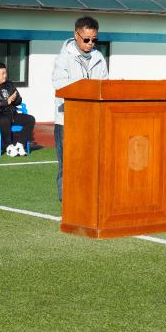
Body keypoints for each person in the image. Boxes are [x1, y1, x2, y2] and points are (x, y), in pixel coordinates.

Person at [52, 16, 108, 201]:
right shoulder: (64, 57)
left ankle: (87, 203)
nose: (90, 43)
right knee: (67, 165)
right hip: (67, 121)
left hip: (92, 121)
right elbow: (59, 85)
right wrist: (86, 88)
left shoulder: (99, 58)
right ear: (76, 35)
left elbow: (105, 86)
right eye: (86, 39)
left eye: (94, 39)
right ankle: (67, 206)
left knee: (90, 165)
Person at [0, 61, 35, 156]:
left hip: (12, 113)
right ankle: (9, 147)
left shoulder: (9, 84)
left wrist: (15, 99)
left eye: (5, 73)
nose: (5, 76)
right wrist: (7, 101)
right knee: (4, 120)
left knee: (30, 119)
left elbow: (19, 100)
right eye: (2, 73)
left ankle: (19, 144)